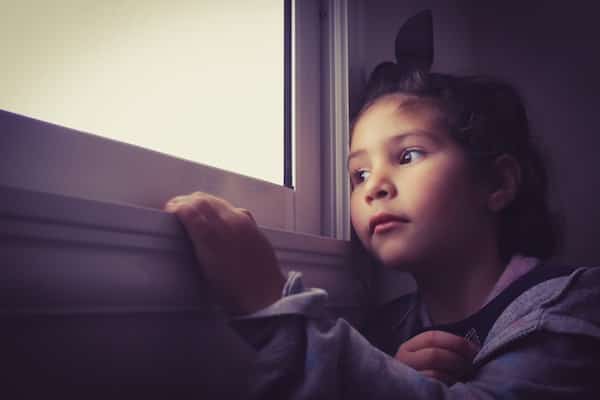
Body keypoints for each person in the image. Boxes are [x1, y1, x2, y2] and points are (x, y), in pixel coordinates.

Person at [163, 11, 600, 399]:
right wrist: (398, 375)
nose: (374, 188)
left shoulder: (566, 307)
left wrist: (273, 306)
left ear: (497, 183)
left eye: (408, 156)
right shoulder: (385, 331)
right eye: (359, 175)